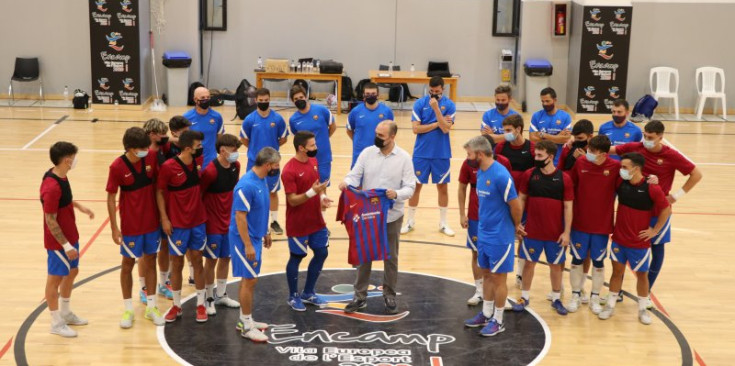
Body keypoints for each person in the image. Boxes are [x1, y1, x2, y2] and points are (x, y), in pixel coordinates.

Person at [610, 120, 702, 295]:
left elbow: (696, 174)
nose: (646, 139)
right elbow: (611, 150)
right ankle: (618, 291)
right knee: (624, 248)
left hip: (657, 211)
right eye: (644, 135)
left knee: (657, 248)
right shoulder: (636, 148)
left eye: (650, 137)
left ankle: (647, 291)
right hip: (635, 210)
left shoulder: (671, 155)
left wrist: (675, 197)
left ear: (661, 137)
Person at [340, 121, 416, 314]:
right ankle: (359, 296)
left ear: (392, 137)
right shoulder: (366, 153)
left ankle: (389, 294)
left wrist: (396, 194)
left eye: (381, 135)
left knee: (391, 257)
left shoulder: (404, 158)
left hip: (391, 216)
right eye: (376, 133)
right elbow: (354, 175)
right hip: (368, 216)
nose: (377, 138)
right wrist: (346, 182)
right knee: (364, 256)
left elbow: (410, 187)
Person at [598, 153, 671, 324]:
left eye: (624, 167)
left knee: (642, 276)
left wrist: (655, 230)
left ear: (636, 168)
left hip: (639, 242)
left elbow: (666, 209)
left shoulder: (651, 188)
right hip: (618, 239)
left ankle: (642, 309)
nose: (621, 170)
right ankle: (610, 305)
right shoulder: (621, 183)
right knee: (617, 273)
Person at [462, 136, 524, 337]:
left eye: (469, 154)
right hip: (484, 232)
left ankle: (498, 320)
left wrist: (516, 226)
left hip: (500, 235)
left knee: (498, 278)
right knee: (487, 274)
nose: (468, 158)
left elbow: (515, 205)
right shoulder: (480, 171)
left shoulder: (500, 175)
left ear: (480, 154)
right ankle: (486, 313)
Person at [106, 127, 165, 328]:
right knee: (127, 264)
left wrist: (163, 217)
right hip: (131, 225)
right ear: (130, 149)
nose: (146, 151)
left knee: (150, 261)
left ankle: (151, 306)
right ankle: (128, 309)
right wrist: (114, 228)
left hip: (151, 222)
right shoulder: (116, 167)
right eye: (141, 148)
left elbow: (158, 188)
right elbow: (111, 196)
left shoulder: (151, 159)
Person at [512, 140, 574, 316]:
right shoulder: (529, 175)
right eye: (535, 155)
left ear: (551, 157)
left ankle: (556, 299)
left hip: (555, 233)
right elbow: (521, 199)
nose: (536, 158)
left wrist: (567, 232)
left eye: (540, 155)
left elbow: (569, 206)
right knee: (529, 264)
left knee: (555, 266)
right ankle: (524, 297)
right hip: (532, 231)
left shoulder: (564, 179)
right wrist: (517, 223)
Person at [41, 141, 94, 337]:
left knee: (72, 271)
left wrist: (79, 206)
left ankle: (65, 312)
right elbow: (50, 220)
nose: (76, 159)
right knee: (54, 279)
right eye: (74, 156)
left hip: (71, 236)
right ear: (67, 160)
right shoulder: (51, 186)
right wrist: (65, 245)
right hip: (59, 243)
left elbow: (63, 199)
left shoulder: (60, 176)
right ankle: (56, 322)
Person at [156, 130, 209, 323]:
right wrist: (164, 218)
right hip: (177, 223)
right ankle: (176, 305)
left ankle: (201, 304)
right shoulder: (169, 167)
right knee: (176, 263)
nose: (200, 148)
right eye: (197, 146)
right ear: (187, 148)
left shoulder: (198, 160)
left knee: (197, 261)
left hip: (198, 221)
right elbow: (160, 192)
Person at [230, 147, 280, 342]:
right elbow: (240, 217)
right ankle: (246, 325)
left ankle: (245, 319)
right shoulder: (246, 186)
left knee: (250, 279)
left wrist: (266, 231)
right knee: (249, 280)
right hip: (244, 240)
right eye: (276, 165)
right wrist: (248, 245)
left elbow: (262, 209)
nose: (277, 169)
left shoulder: (262, 180)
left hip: (256, 237)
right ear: (267, 165)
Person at [566, 135, 620, 314]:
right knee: (577, 259)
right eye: (588, 150)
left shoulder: (615, 168)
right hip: (580, 223)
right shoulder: (580, 163)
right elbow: (570, 188)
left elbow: (626, 191)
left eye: (592, 151)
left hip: (601, 226)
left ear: (604, 154)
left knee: (598, 262)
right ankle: (575, 294)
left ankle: (595, 297)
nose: (587, 153)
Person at [281, 131, 332, 311]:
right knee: (297, 257)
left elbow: (316, 187)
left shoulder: (313, 162)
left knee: (322, 253)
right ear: (301, 148)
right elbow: (292, 200)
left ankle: (308, 292)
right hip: (298, 223)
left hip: (316, 220)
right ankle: (293, 296)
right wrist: (312, 192)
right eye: (312, 146)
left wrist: (322, 196)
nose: (315, 148)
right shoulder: (289, 170)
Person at [458, 135, 512, 306]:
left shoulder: (502, 165)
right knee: (476, 253)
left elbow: (511, 195)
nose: (468, 157)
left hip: (497, 221)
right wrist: (462, 214)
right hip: (475, 216)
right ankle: (479, 290)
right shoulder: (469, 165)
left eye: (470, 153)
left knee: (498, 263)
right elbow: (461, 187)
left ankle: (499, 296)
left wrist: (514, 223)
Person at [402, 76, 456, 236]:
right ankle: (410, 221)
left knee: (443, 188)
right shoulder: (419, 104)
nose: (434, 95)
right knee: (415, 187)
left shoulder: (450, 105)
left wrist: (436, 110)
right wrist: (437, 123)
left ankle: (443, 223)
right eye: (431, 91)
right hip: (421, 153)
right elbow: (416, 129)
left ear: (443, 90)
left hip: (441, 153)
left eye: (437, 92)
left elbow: (446, 129)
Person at [200, 134, 243, 315]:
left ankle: (221, 294)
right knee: (211, 260)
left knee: (226, 257)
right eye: (234, 150)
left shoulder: (236, 166)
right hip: (213, 223)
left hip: (229, 221)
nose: (236, 154)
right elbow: (200, 196)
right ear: (223, 150)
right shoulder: (210, 171)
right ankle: (208, 298)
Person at [240, 88, 289, 235]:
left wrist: (271, 153)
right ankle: (254, 221)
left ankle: (273, 221)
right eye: (260, 101)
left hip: (273, 163)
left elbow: (284, 138)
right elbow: (244, 139)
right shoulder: (250, 119)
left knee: (272, 192)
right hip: (254, 162)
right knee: (252, 191)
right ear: (256, 101)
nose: (263, 103)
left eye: (266, 100)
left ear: (269, 99)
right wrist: (256, 151)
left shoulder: (277, 119)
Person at [494, 114, 535, 287]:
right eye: (504, 130)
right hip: (505, 201)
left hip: (525, 201)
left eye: (509, 130)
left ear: (518, 129)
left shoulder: (532, 149)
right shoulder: (501, 147)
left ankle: (519, 273)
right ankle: (500, 269)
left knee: (523, 237)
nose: (506, 133)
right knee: (504, 236)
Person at [141, 118, 174, 301]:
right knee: (146, 251)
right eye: (162, 134)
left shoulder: (161, 149)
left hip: (163, 202)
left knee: (165, 245)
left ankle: (163, 283)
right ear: (152, 135)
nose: (166, 137)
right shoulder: (144, 154)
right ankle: (144, 287)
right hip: (148, 205)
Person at [288, 84, 336, 185]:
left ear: (306, 97)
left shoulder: (321, 110)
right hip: (306, 160)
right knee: (308, 188)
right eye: (296, 99)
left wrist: (324, 139)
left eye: (301, 97)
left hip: (323, 157)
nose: (299, 100)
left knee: (322, 188)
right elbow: (297, 139)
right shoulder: (293, 120)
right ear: (293, 101)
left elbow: (333, 126)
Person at [347, 82, 394, 167]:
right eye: (367, 94)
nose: (370, 96)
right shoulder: (355, 111)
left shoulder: (387, 111)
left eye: (373, 94)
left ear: (378, 95)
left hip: (380, 152)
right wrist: (359, 141)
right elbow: (349, 130)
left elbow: (391, 132)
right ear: (363, 95)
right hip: (359, 153)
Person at [529, 87, 572, 166]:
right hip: (540, 159)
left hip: (558, 159)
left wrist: (543, 135)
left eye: (547, 101)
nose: (545, 104)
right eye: (542, 101)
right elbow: (533, 139)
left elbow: (565, 139)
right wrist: (557, 137)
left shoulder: (565, 116)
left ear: (555, 100)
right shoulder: (536, 116)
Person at [184, 87, 225, 169]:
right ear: (195, 100)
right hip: (193, 161)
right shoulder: (187, 117)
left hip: (211, 162)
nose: (206, 100)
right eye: (202, 98)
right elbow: (184, 140)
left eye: (208, 97)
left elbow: (220, 137)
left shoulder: (217, 116)